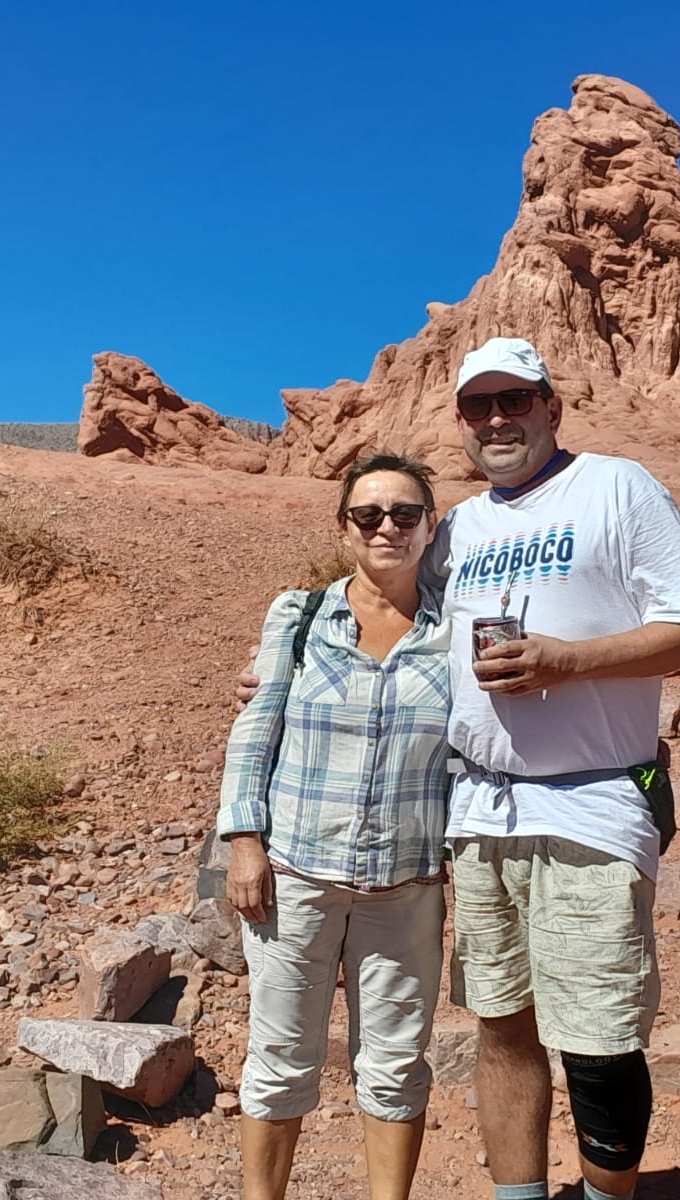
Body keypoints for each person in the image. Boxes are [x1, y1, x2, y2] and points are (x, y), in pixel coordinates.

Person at [237, 338, 680, 1200]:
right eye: (478, 405)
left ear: (552, 407)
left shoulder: (617, 487)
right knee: (501, 1027)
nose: (497, 419)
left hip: (591, 804)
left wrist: (566, 661)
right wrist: (277, 665)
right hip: (477, 817)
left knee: (600, 1042)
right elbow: (385, 600)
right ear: (460, 421)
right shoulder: (460, 529)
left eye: (515, 400)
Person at [217, 452, 452, 1200]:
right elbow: (255, 730)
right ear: (344, 527)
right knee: (280, 1058)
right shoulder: (299, 617)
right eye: (369, 515)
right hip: (296, 877)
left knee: (396, 1065)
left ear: (429, 527)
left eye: (405, 514)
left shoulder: (457, 627)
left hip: (407, 886)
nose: (387, 528)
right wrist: (244, 841)